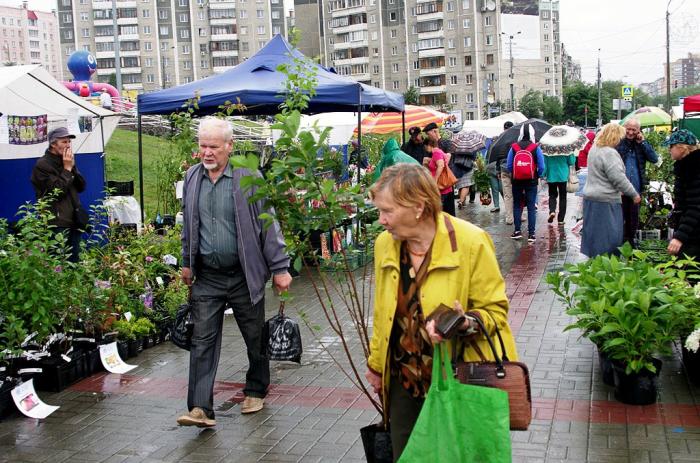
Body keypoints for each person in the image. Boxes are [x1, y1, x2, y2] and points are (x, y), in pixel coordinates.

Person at [364, 163, 518, 460]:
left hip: (457, 379)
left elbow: (496, 311)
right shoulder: (385, 244)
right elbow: (383, 312)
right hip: (403, 381)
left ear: (418, 207)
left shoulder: (471, 242)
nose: (381, 220)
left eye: (387, 211)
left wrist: (464, 323)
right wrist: (376, 365)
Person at [177, 117, 292, 427]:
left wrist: (280, 268)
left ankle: (256, 388)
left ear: (229, 146)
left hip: (244, 275)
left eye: (213, 146)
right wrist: (186, 263)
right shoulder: (192, 178)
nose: (207, 152)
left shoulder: (247, 177)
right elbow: (188, 224)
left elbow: (268, 224)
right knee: (202, 340)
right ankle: (200, 407)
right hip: (209, 277)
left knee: (254, 336)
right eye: (202, 146)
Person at [581, 123, 641, 258]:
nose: (621, 140)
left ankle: (594, 267)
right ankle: (607, 269)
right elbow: (618, 177)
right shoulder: (609, 153)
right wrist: (633, 194)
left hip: (591, 198)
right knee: (609, 238)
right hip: (605, 200)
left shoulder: (595, 149)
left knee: (594, 237)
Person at [30, 127, 86, 263]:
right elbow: (56, 192)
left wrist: (72, 168)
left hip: (75, 219)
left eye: (69, 142)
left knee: (74, 262)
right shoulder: (42, 165)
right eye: (64, 142)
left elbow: (81, 187)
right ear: (53, 144)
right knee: (57, 262)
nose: (68, 145)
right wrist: (67, 169)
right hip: (57, 222)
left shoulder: (66, 160)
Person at [616, 120, 658, 246]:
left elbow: (654, 159)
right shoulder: (619, 142)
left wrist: (643, 143)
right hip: (620, 189)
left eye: (634, 130)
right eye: (628, 129)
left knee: (633, 218)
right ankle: (620, 241)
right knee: (620, 217)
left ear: (638, 131)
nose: (630, 132)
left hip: (636, 188)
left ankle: (631, 241)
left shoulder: (641, 144)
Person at [506, 123, 545, 243]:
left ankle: (517, 231)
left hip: (517, 181)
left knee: (517, 205)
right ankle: (531, 234)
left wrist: (516, 173)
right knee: (531, 207)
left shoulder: (514, 147)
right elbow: (542, 166)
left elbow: (508, 165)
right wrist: (537, 175)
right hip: (531, 181)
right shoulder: (535, 147)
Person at [665, 129, 700, 261]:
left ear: (682, 147)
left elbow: (695, 207)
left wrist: (679, 237)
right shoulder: (686, 166)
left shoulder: (693, 169)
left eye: (671, 146)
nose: (669, 150)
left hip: (694, 234)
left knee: (689, 272)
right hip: (691, 230)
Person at [544, 151, 576, 225]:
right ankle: (561, 219)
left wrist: (543, 174)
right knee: (563, 197)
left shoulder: (547, 149)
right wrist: (571, 153)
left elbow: (545, 164)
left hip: (551, 175)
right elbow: (571, 162)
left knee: (552, 195)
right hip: (563, 176)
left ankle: (552, 211)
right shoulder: (565, 148)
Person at [425, 137, 455, 216]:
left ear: (429, 145)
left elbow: (440, 165)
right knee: (446, 210)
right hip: (444, 186)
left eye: (425, 146)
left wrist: (435, 179)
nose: (425, 149)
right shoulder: (439, 151)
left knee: (439, 210)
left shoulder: (436, 153)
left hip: (441, 186)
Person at [493, 121, 515, 223]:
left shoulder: (499, 139)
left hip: (503, 168)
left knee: (507, 195)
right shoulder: (516, 138)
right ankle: (520, 215)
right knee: (518, 192)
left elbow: (497, 156)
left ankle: (509, 218)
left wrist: (498, 171)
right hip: (515, 168)